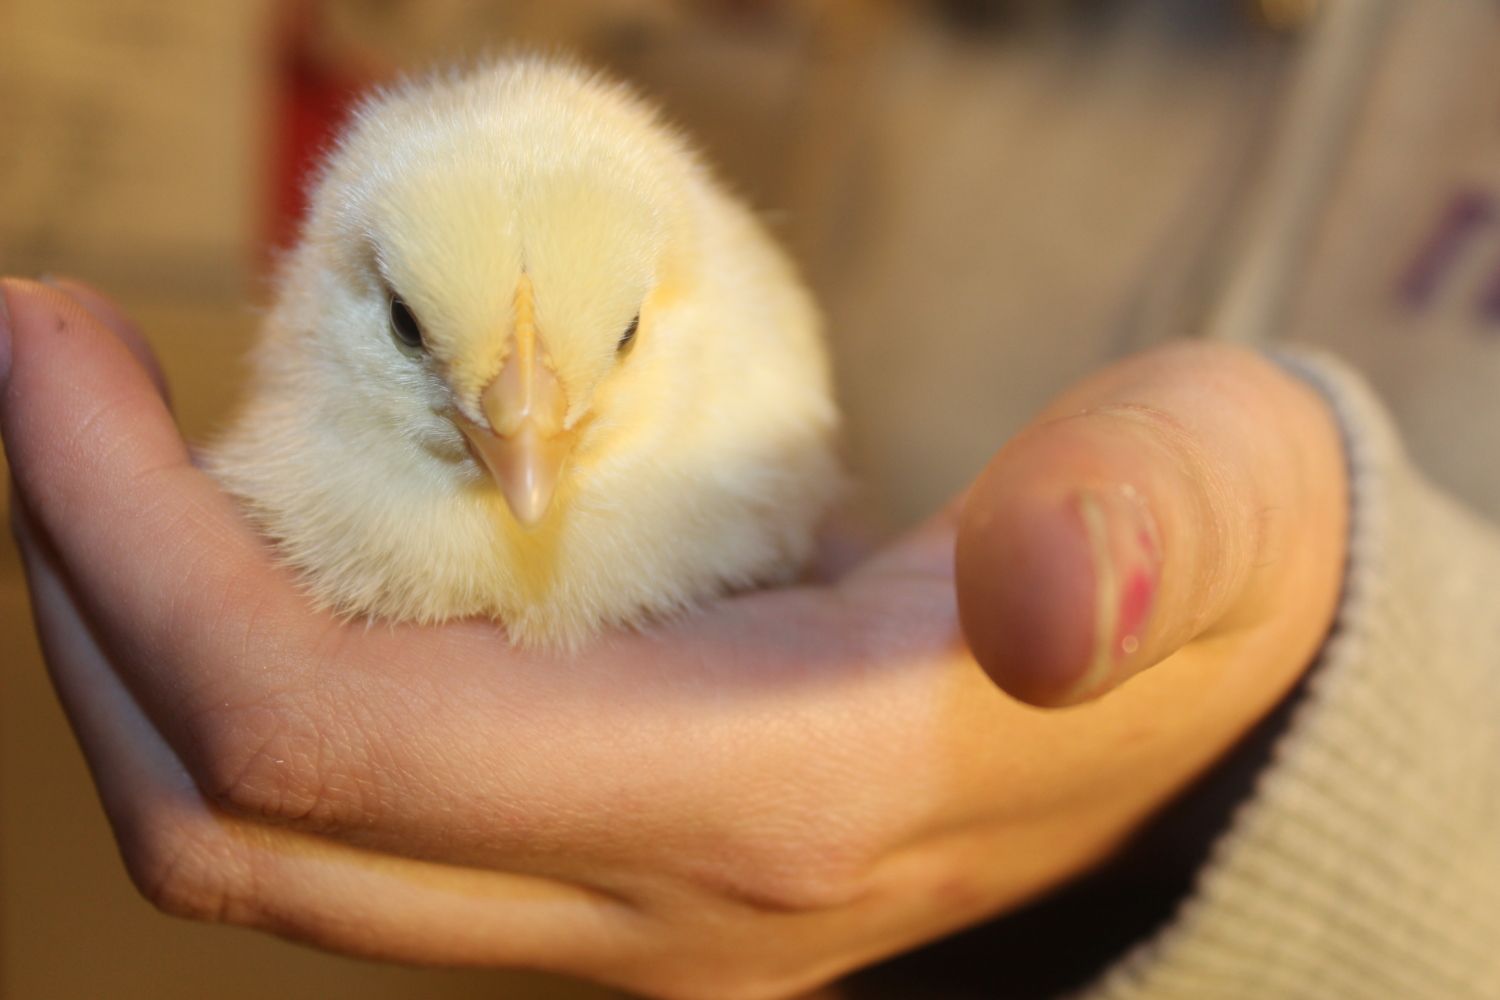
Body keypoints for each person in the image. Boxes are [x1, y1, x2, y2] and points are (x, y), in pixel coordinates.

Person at [2, 3, 1497, 1000]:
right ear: (347, 285)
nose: (526, 458)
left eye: (610, 353)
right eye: (410, 337)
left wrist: (1283, 728)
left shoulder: (729, 363)